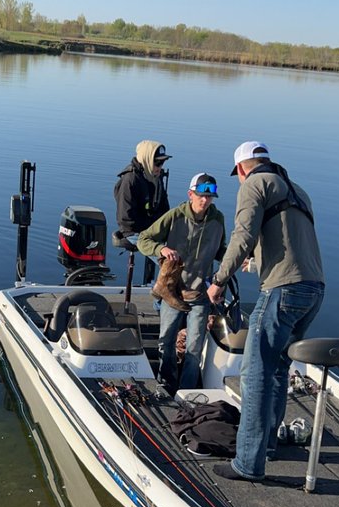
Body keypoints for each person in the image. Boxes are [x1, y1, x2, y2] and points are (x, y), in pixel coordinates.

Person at [207, 141, 325, 482]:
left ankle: (247, 463)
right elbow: (292, 241)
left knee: (255, 374)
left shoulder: (255, 184)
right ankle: (268, 445)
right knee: (277, 370)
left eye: (238, 176)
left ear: (242, 169)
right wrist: (257, 260)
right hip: (314, 291)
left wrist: (218, 280)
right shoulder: (298, 190)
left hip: (283, 290)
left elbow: (241, 235)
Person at [138, 173, 226, 393]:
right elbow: (143, 240)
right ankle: (166, 384)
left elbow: (220, 251)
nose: (205, 201)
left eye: (209, 197)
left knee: (194, 348)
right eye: (200, 196)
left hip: (200, 294)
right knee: (165, 341)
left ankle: (187, 392)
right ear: (190, 194)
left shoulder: (218, 219)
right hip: (173, 292)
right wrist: (161, 249)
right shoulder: (174, 216)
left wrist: (236, 259)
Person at [114, 141, 171, 283]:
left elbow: (165, 211)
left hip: (152, 231)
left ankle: (158, 292)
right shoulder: (129, 180)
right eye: (157, 163)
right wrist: (150, 234)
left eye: (162, 163)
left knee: (181, 251)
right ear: (147, 159)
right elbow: (125, 219)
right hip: (133, 232)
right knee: (169, 263)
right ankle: (162, 301)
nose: (160, 167)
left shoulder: (156, 178)